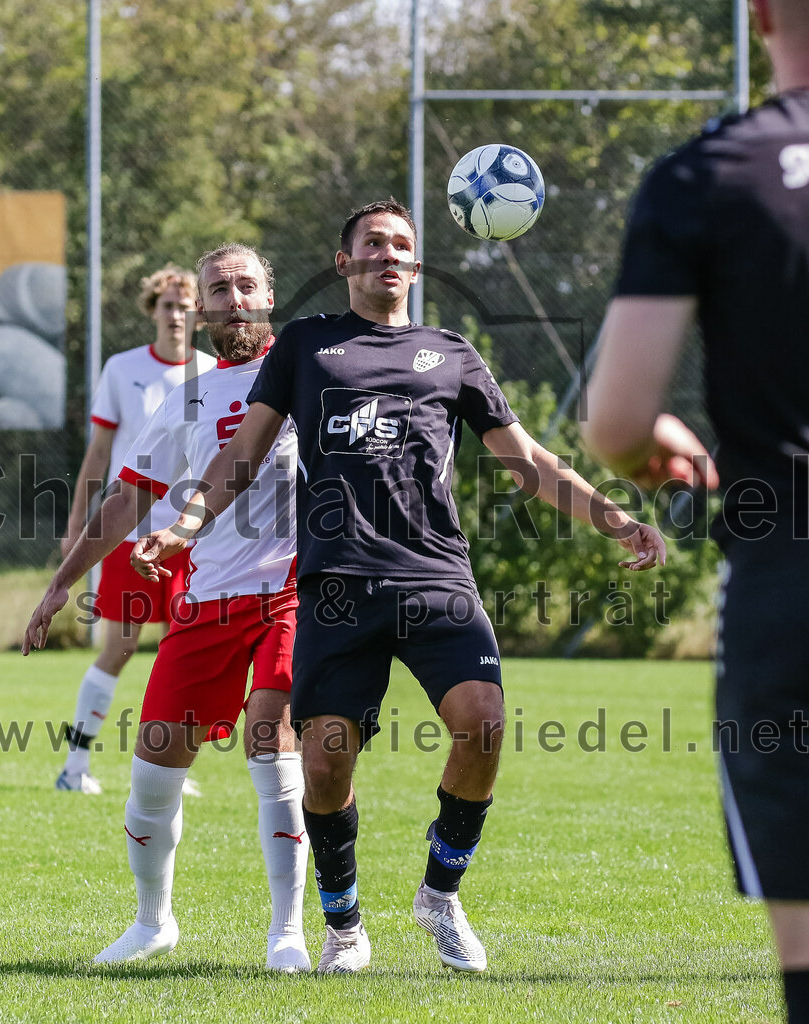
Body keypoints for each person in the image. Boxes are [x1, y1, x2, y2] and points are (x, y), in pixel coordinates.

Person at [133, 199, 666, 974]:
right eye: (372, 243)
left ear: (415, 266)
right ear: (343, 262)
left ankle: (440, 892)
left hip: (434, 574)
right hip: (337, 586)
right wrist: (184, 526)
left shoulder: (450, 353)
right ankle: (343, 925)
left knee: (482, 724)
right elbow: (240, 456)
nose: (388, 253)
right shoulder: (307, 348)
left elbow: (529, 462)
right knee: (322, 764)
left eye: (403, 245)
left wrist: (613, 516)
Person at [582, 3, 809, 1019]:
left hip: (788, 576)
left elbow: (617, 420)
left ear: (758, 14)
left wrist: (654, 448)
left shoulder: (707, 174)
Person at [23, 243, 310, 973]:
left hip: (293, 593)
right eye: (221, 288)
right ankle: (153, 924)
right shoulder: (188, 395)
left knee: (269, 738)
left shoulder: (314, 375)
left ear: (268, 295)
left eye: (247, 284)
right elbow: (126, 497)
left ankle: (287, 935)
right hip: (207, 599)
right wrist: (62, 581)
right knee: (153, 771)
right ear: (204, 307)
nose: (234, 298)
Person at [57, 264, 216, 794]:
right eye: (167, 305)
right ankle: (75, 768)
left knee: (183, 652)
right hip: (129, 536)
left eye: (186, 305)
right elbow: (99, 453)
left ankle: (173, 772)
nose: (176, 314)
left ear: (198, 313)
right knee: (119, 648)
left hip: (191, 540)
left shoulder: (215, 371)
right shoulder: (122, 370)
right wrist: (79, 524)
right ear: (154, 310)